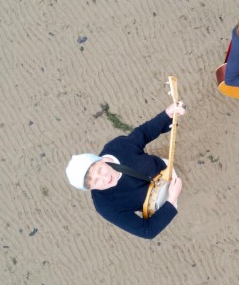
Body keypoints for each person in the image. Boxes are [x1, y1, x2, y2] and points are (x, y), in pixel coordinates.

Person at [65, 101, 186, 240]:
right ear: (90, 188)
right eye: (96, 182)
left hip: (165, 170)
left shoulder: (118, 146)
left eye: (100, 171)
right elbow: (147, 231)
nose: (105, 179)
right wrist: (171, 199)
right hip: (160, 201)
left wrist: (167, 115)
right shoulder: (105, 206)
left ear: (101, 160)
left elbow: (144, 132)